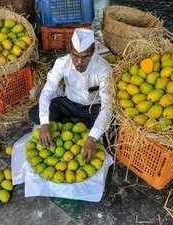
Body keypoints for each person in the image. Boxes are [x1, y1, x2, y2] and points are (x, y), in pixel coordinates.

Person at [29, 28, 112, 162]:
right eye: (75, 55)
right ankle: (79, 125)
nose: (79, 62)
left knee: (111, 130)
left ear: (93, 52)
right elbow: (47, 91)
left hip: (93, 108)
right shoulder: (62, 63)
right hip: (69, 104)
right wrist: (44, 124)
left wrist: (92, 139)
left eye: (84, 57)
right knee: (35, 113)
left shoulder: (103, 68)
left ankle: (77, 125)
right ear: (70, 51)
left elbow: (107, 106)